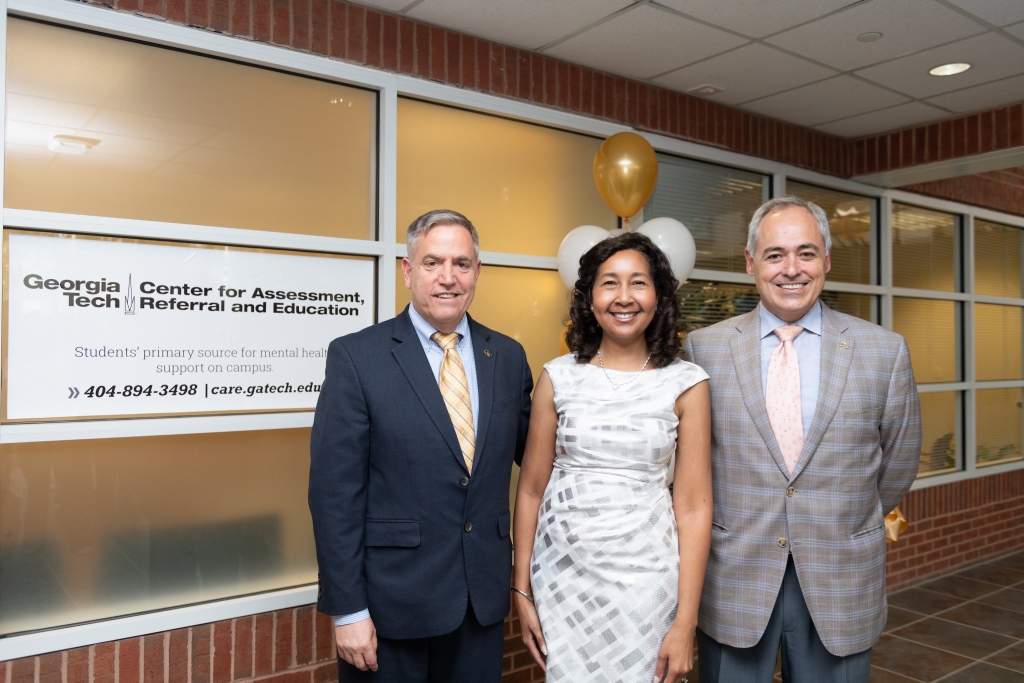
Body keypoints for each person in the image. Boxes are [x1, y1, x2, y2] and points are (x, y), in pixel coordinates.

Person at [682, 196, 922, 683]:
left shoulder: (884, 351)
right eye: (775, 255)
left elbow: (899, 462)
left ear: (827, 261)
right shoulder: (702, 349)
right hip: (734, 576)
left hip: (840, 577)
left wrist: (843, 513)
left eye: (806, 253)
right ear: (751, 263)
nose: (791, 269)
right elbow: (689, 466)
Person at [308, 209, 533, 683]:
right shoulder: (356, 356)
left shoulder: (507, 356)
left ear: (477, 271)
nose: (447, 278)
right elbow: (334, 494)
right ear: (408, 271)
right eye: (432, 263)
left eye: (461, 263)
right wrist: (348, 610)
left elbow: (538, 461)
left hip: (480, 601)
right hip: (390, 608)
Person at [513, 232, 712, 683]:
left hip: (647, 583)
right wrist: (521, 590)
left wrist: (685, 621)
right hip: (562, 579)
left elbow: (696, 506)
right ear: (589, 298)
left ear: (658, 296)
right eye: (609, 283)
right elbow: (530, 490)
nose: (624, 298)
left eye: (638, 283)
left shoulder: (687, 383)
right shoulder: (557, 377)